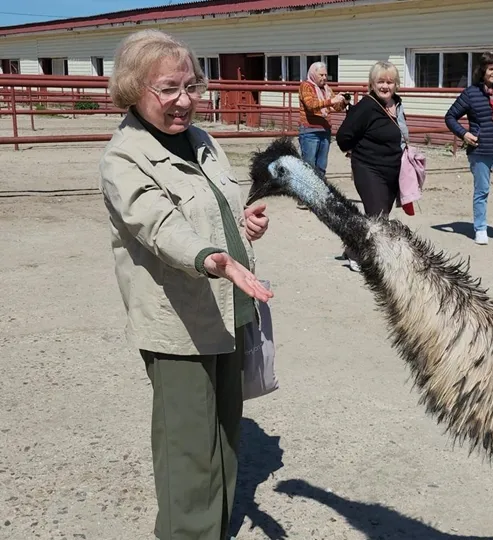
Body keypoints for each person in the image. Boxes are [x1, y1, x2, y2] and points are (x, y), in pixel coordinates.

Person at [99, 29, 273, 540]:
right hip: (179, 319)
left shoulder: (202, 141)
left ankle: (215, 527)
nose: (185, 100)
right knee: (189, 446)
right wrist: (210, 257)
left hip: (228, 304)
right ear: (134, 89)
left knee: (225, 431)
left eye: (192, 86)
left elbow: (213, 209)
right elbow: (158, 225)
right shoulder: (123, 158)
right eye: (169, 88)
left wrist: (245, 224)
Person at [335, 60, 409, 271]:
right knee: (377, 216)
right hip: (369, 168)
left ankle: (353, 248)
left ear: (396, 84)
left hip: (392, 169)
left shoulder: (397, 103)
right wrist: (353, 152)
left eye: (390, 82)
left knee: (379, 217)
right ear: (372, 83)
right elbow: (343, 136)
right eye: (381, 82)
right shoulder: (366, 106)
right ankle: (363, 256)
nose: (385, 86)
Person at [444, 51, 493, 245]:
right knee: (482, 190)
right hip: (480, 150)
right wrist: (464, 134)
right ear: (482, 70)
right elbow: (450, 117)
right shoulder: (471, 93)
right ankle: (480, 228)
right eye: (490, 69)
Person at [297, 60, 347, 209]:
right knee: (308, 165)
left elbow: (336, 107)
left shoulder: (326, 88)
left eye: (326, 74)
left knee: (321, 166)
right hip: (310, 130)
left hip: (324, 130)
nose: (324, 78)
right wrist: (331, 100)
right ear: (313, 74)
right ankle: (303, 197)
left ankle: (317, 195)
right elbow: (311, 105)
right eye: (321, 75)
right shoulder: (305, 86)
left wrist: (342, 101)